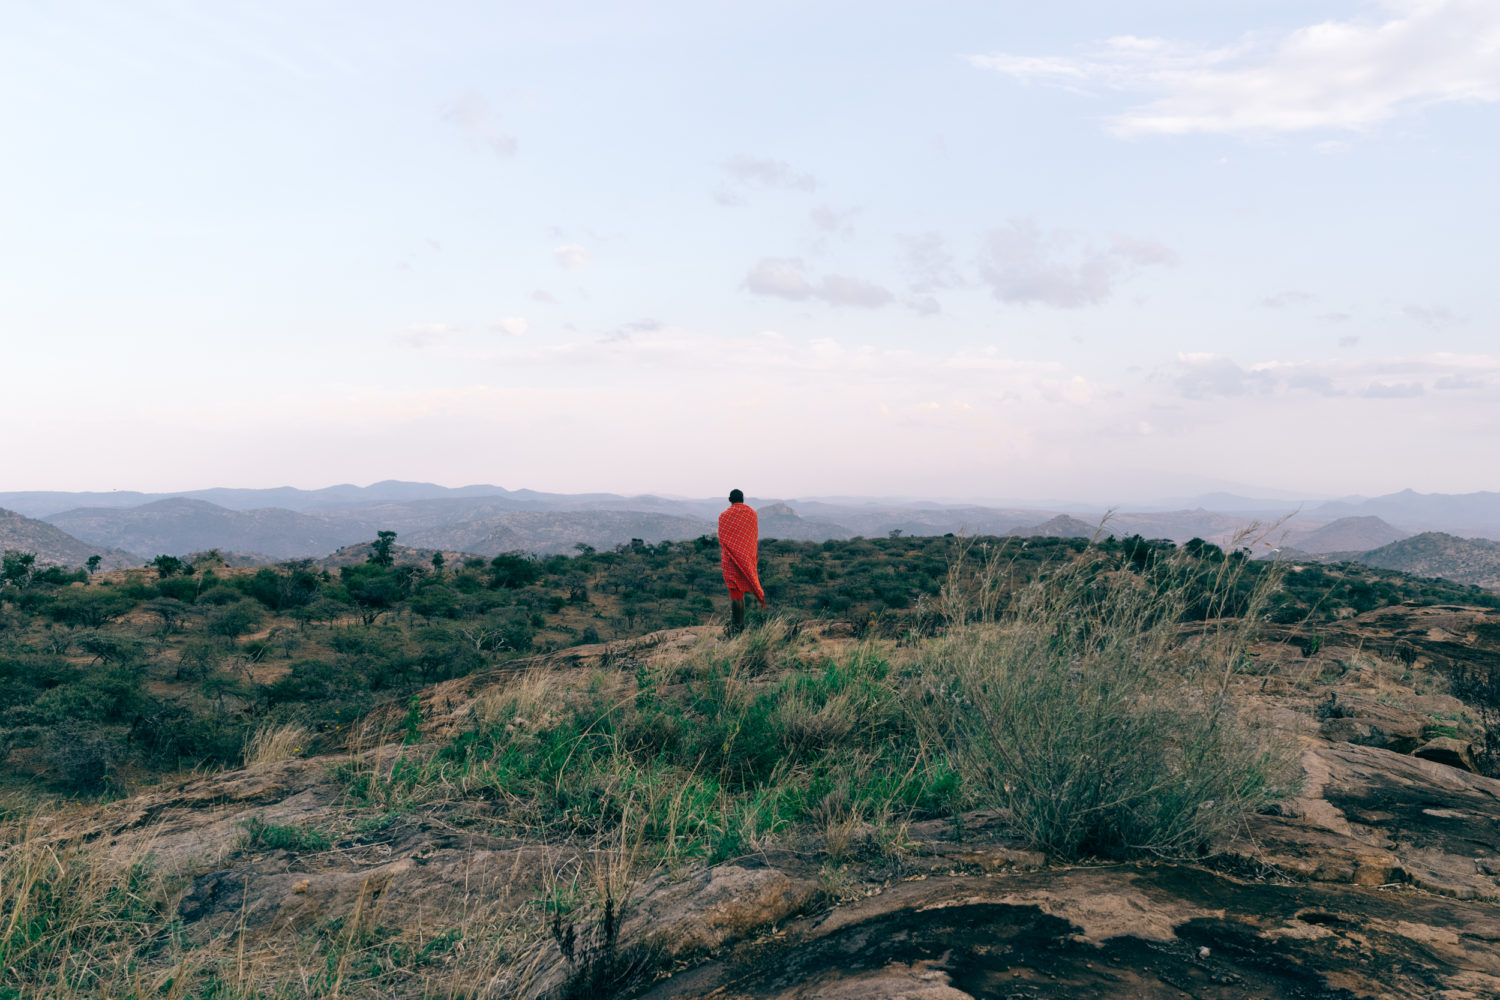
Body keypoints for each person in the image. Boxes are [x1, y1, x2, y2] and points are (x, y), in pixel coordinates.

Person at [717, 489, 765, 636]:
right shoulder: (752, 514)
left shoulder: (724, 516)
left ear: (730, 499)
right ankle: (740, 626)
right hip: (746, 559)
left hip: (731, 560)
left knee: (735, 594)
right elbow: (752, 537)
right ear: (743, 499)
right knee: (740, 594)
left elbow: (722, 538)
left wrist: (734, 551)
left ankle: (736, 627)